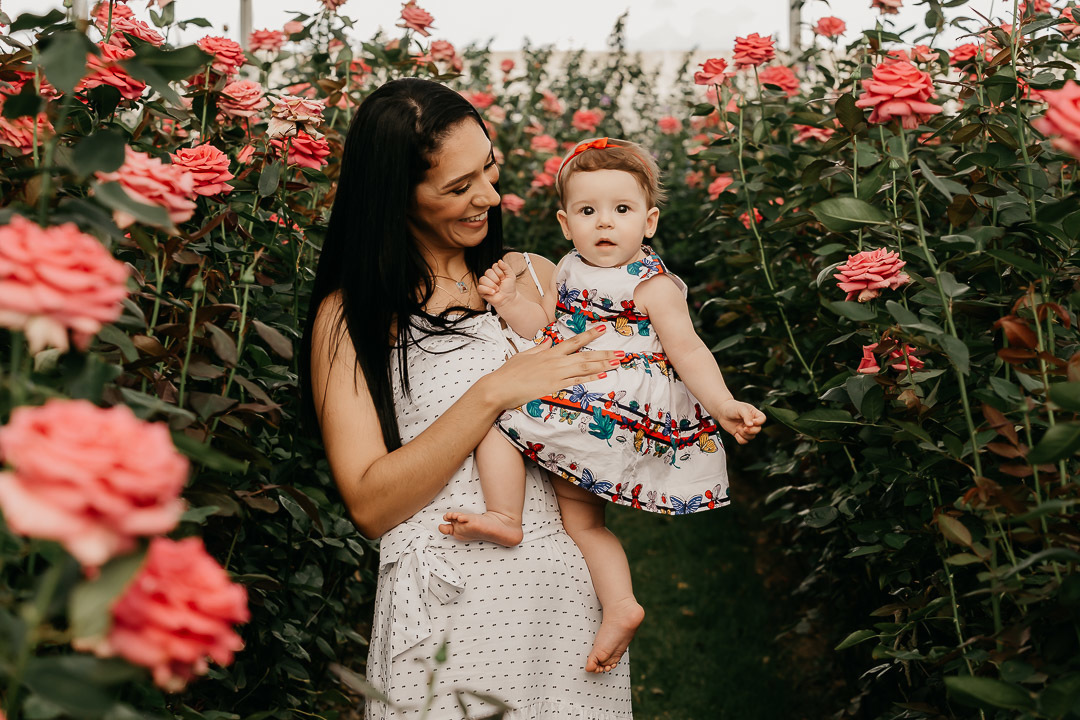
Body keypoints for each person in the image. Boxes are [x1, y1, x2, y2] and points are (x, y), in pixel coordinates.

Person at [300, 78, 632, 719]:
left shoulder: (537, 277)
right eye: (458, 186)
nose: (488, 195)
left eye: (489, 167)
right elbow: (370, 504)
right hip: (450, 609)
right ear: (396, 197)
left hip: (566, 596)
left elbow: (615, 419)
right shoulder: (356, 317)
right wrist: (492, 393)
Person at [438, 137, 767, 673]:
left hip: (611, 402)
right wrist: (508, 300)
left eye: (622, 210)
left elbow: (687, 349)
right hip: (578, 389)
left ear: (650, 220)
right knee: (584, 523)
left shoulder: (654, 285)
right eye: (589, 212)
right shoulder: (566, 268)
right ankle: (621, 604)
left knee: (497, 422)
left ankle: (505, 514)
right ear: (566, 225)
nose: (606, 224)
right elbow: (543, 325)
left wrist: (723, 404)